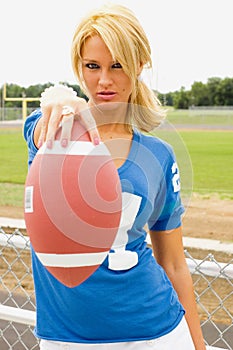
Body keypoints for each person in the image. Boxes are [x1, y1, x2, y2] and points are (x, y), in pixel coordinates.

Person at [24, 3, 206, 349]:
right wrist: (63, 104)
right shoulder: (54, 134)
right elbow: (41, 124)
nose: (104, 80)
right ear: (79, 67)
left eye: (117, 66)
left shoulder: (159, 155)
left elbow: (173, 262)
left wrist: (198, 344)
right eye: (92, 66)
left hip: (158, 332)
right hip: (67, 339)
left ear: (139, 66)